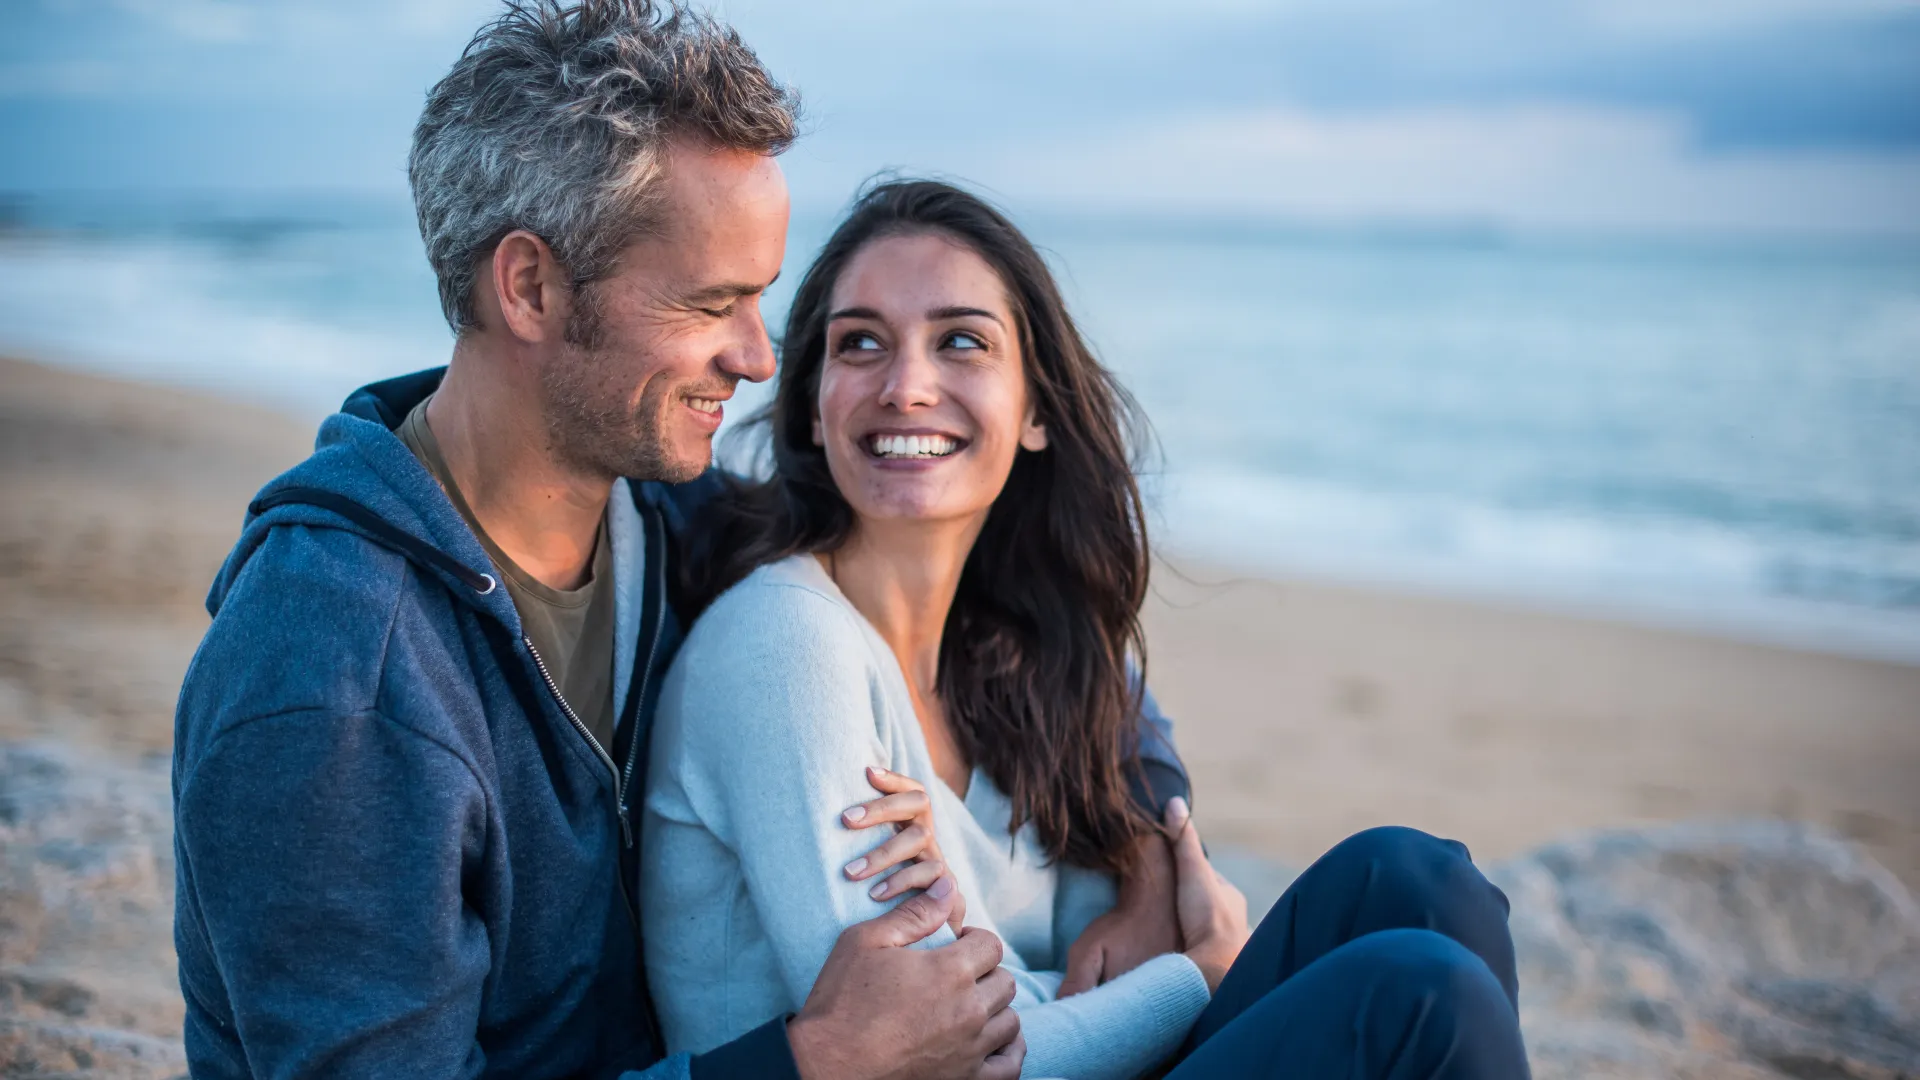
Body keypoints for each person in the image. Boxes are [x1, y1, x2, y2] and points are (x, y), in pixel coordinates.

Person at [170, 4, 1192, 1079]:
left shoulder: (674, 526)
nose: (759, 358)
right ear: (529, 287)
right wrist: (810, 1061)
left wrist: (1151, 842)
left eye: (764, 300)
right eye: (715, 302)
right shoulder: (335, 677)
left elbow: (1017, 605)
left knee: (1387, 897)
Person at [643, 180, 1534, 1079]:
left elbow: (1041, 985)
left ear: (1034, 411)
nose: (907, 386)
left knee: (1417, 881)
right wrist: (1199, 976)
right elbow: (947, 1053)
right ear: (811, 404)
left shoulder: (1013, 657)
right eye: (861, 343)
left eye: (961, 342)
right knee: (1423, 995)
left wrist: (1150, 870)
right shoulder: (787, 645)